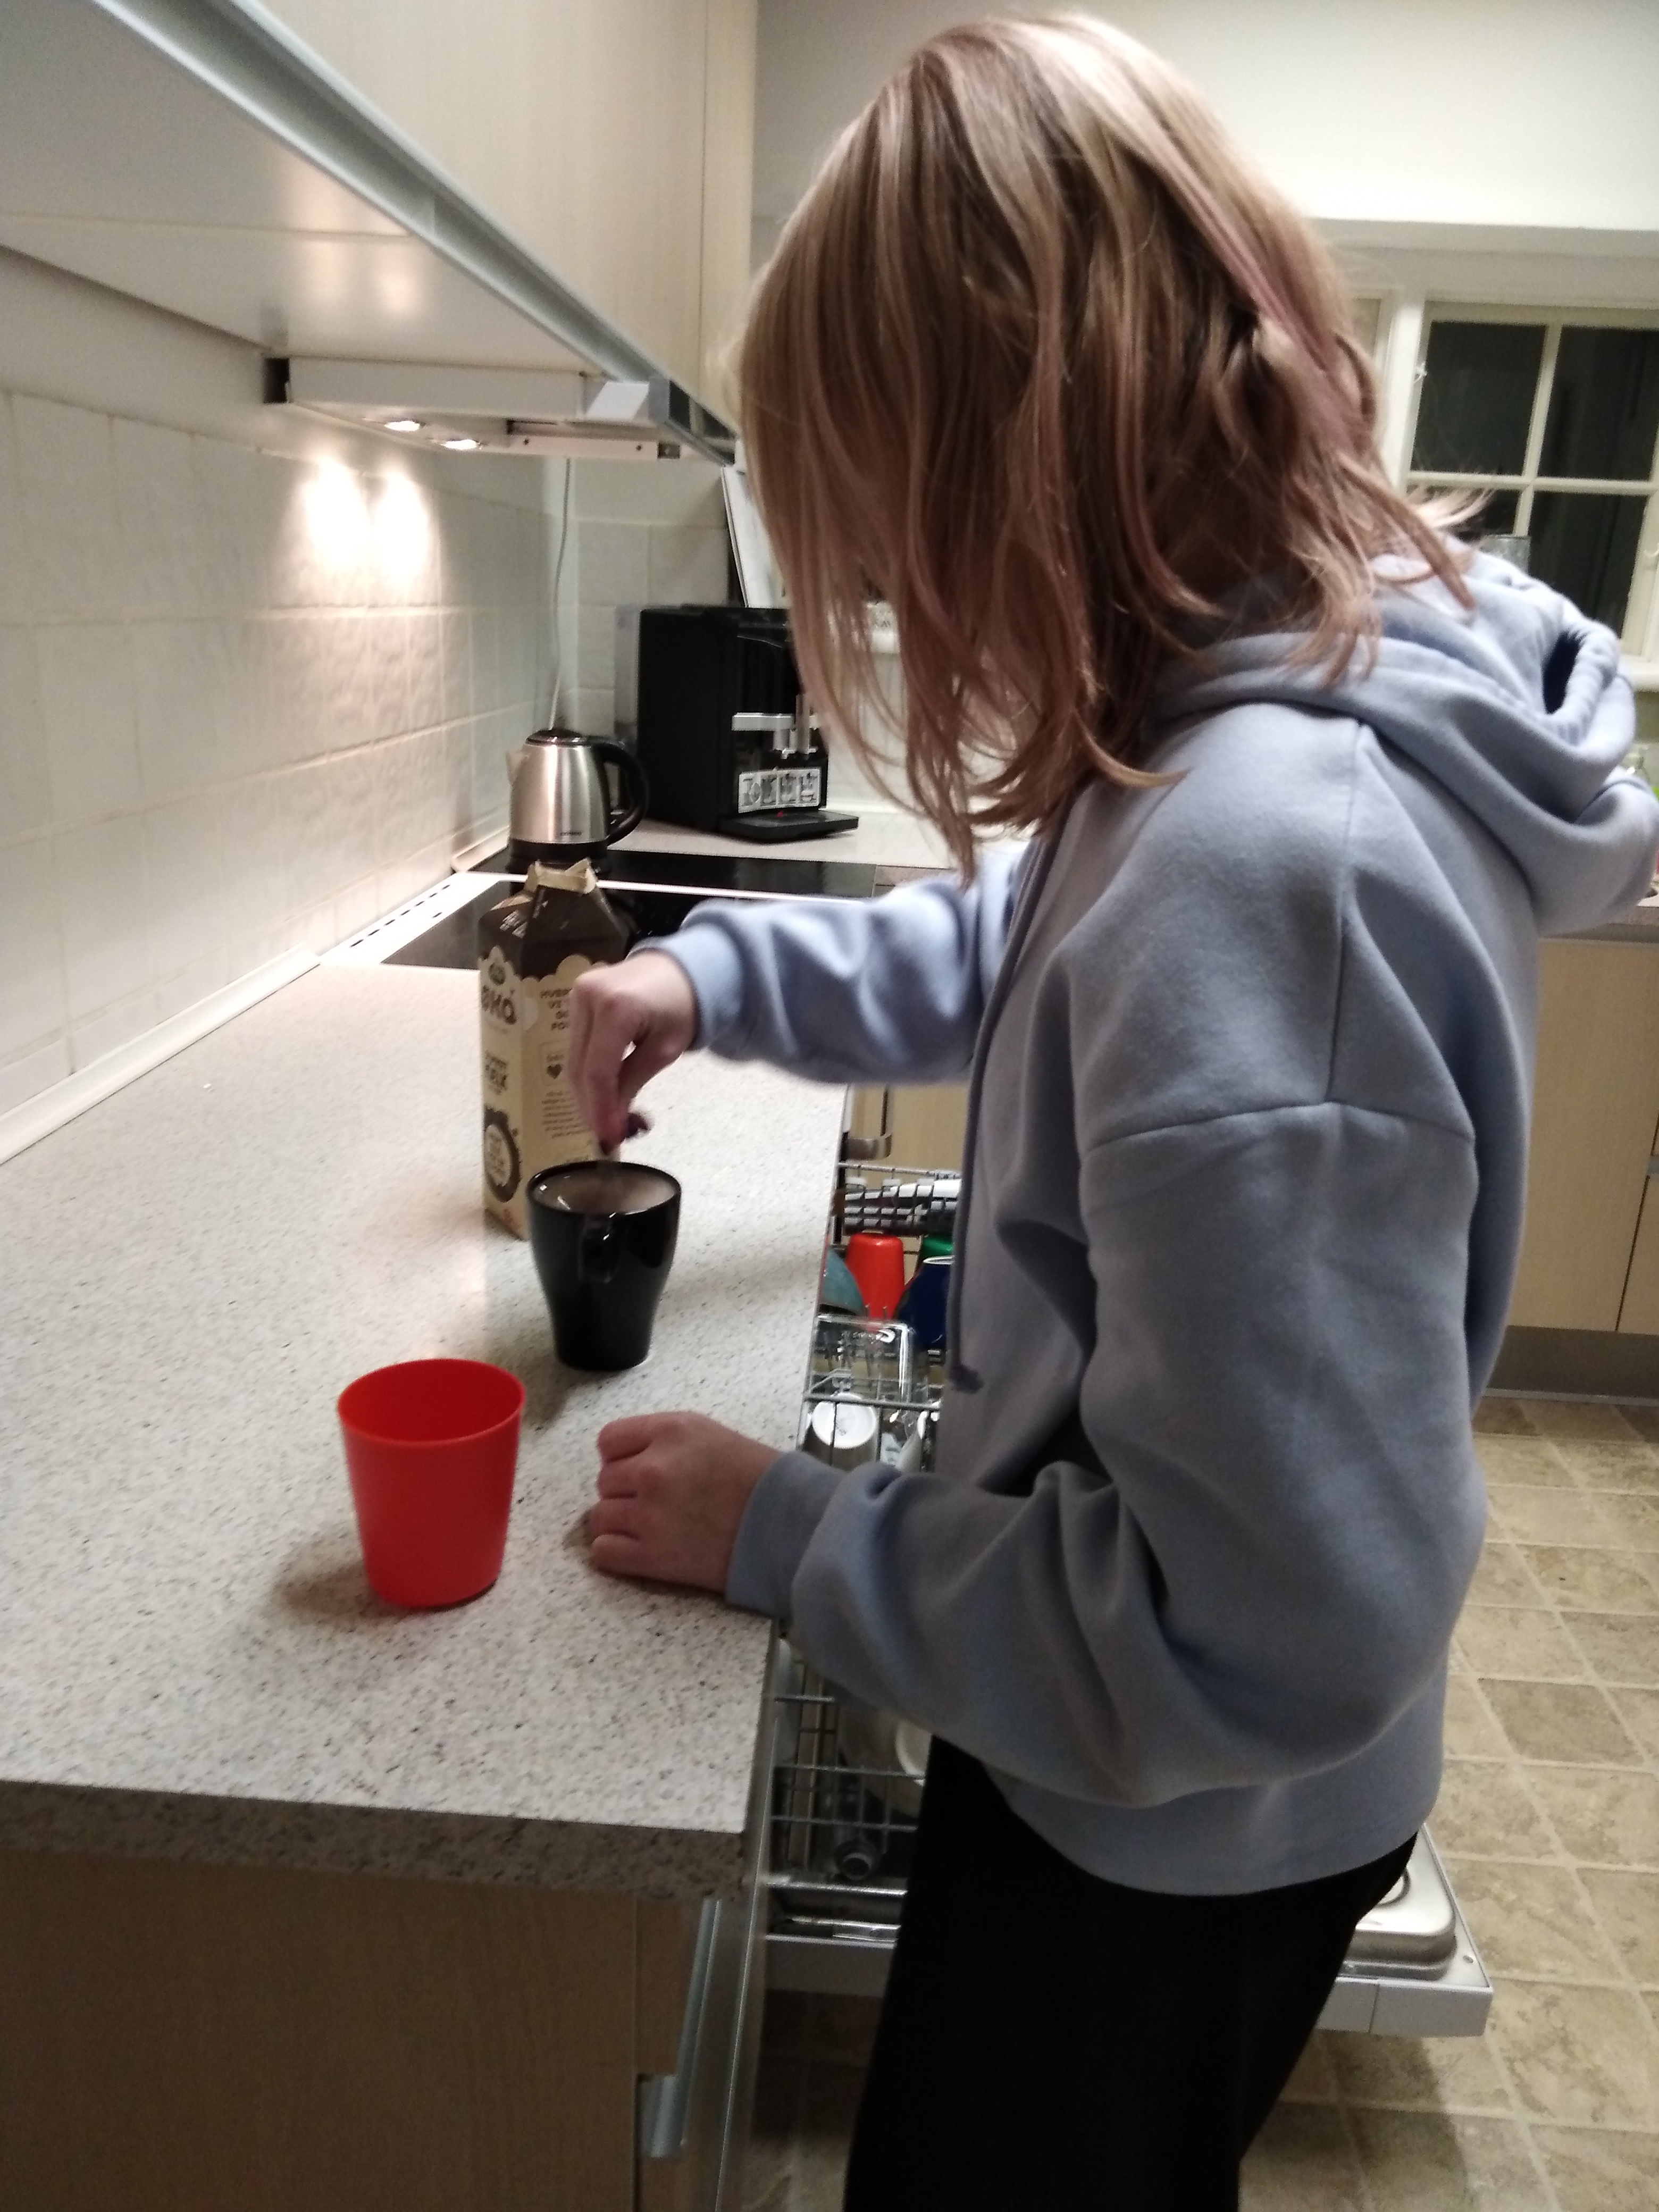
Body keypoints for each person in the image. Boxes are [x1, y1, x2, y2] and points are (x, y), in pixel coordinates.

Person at [569, 18, 1659, 2209]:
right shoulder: (1263, 718)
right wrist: (720, 972)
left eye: (890, 550)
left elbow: (1262, 1630)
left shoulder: (1262, 864)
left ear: (1015, 470)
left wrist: (791, 1534)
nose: (901, 610)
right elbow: (1020, 943)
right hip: (1165, 1755)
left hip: (1171, 1813)